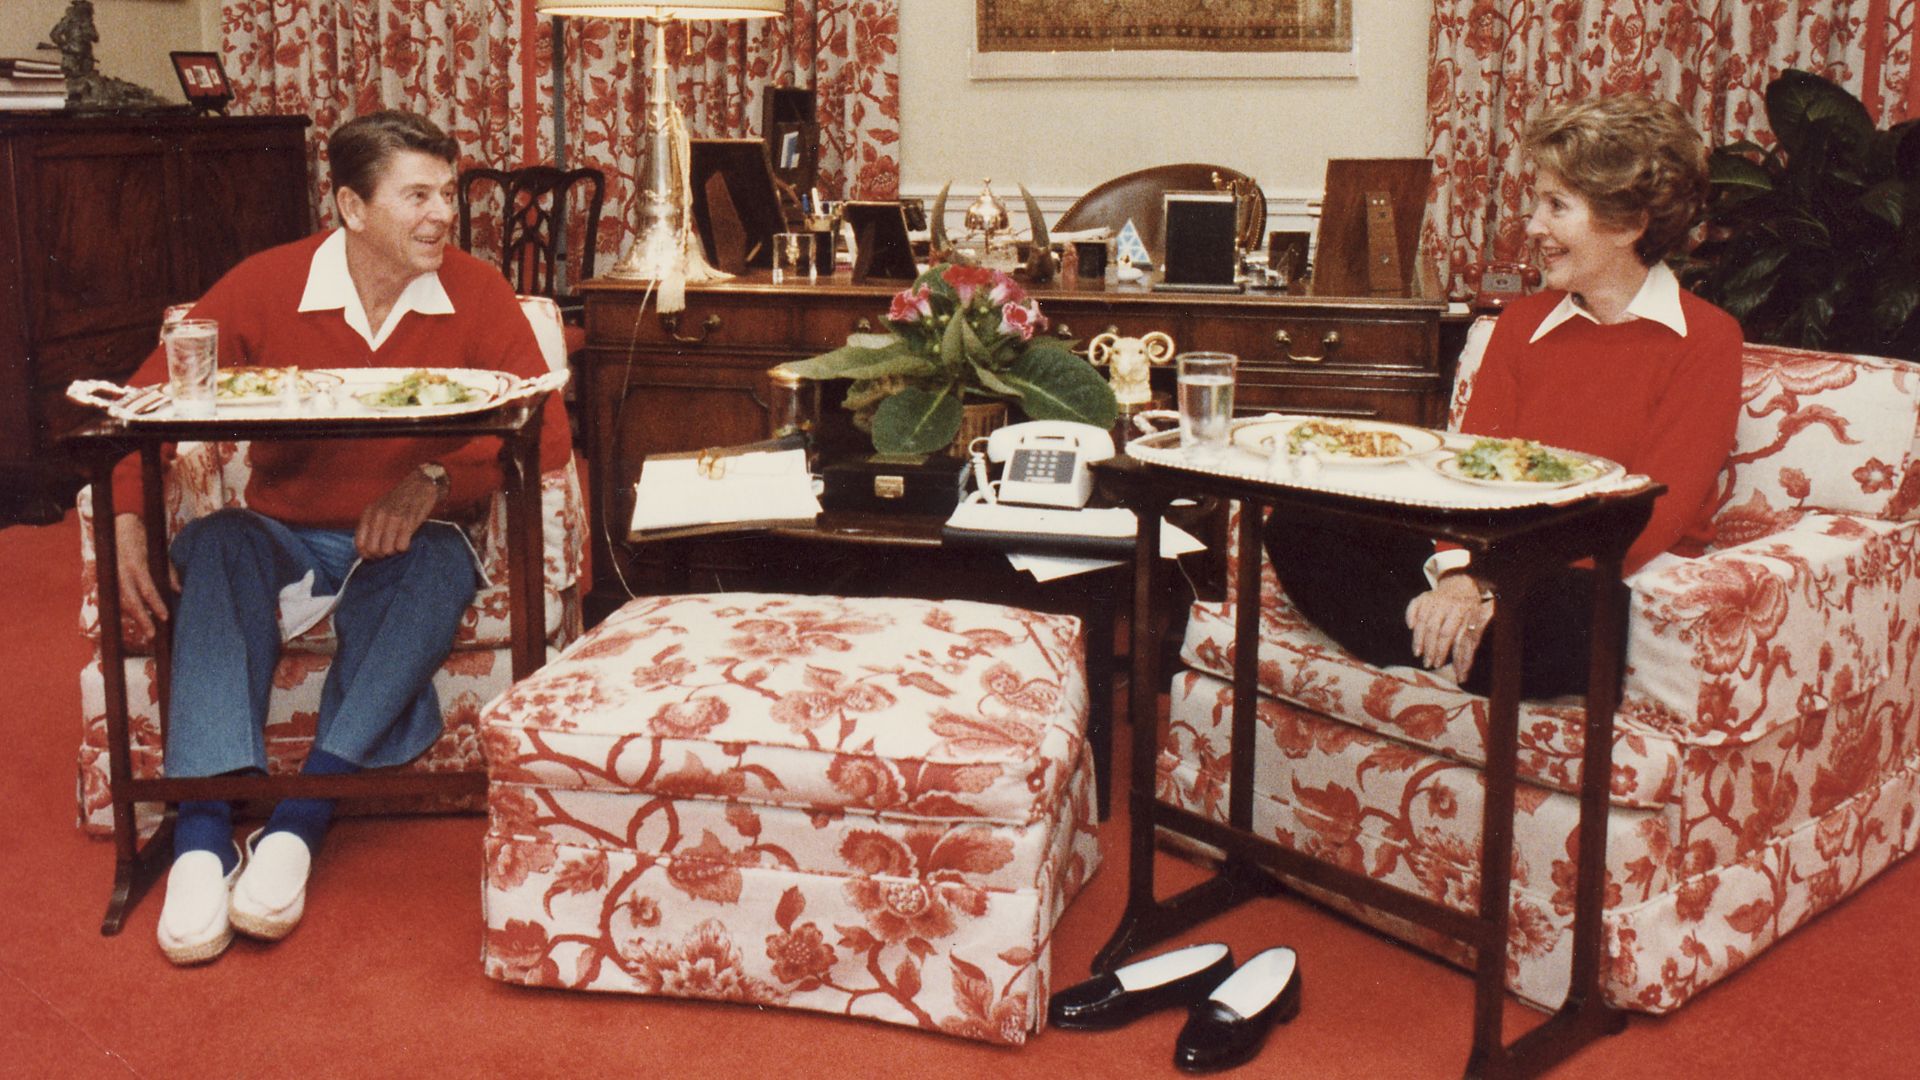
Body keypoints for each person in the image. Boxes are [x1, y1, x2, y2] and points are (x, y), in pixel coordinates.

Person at [109, 110, 572, 965]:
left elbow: (544, 437)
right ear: (353, 207)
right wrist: (128, 517)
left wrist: (433, 480)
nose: (442, 216)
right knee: (216, 542)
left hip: (407, 542)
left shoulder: (477, 291)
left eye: (447, 194)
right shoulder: (263, 284)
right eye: (417, 196)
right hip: (284, 533)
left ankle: (298, 822)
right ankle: (203, 837)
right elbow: (144, 405)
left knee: (438, 565)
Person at [1268, 95, 1742, 698]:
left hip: (1601, 571)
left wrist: (1492, 584)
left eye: (1556, 207)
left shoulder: (1707, 339)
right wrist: (1464, 577)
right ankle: (1451, 647)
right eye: (1537, 203)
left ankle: (1431, 645)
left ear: (1627, 224)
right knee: (1301, 524)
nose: (1535, 226)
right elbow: (1467, 476)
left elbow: (1650, 518)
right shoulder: (1520, 324)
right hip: (1491, 558)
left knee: (1567, 611)